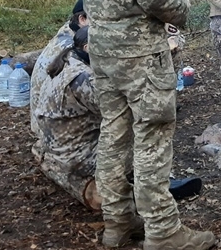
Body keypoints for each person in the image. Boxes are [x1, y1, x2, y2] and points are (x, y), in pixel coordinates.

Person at [77, 0, 215, 250]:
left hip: (102, 50)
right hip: (140, 52)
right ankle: (162, 230)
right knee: (152, 135)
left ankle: (117, 223)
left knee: (113, 134)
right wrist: (186, 9)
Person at [32, 27, 202, 214]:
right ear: (89, 47)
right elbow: (123, 111)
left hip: (58, 146)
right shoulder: (83, 78)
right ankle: (153, 189)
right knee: (148, 132)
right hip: (76, 156)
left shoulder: (67, 60)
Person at [31, 0, 87, 157]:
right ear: (82, 19)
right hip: (58, 136)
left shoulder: (69, 31)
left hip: (49, 124)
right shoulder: (72, 49)